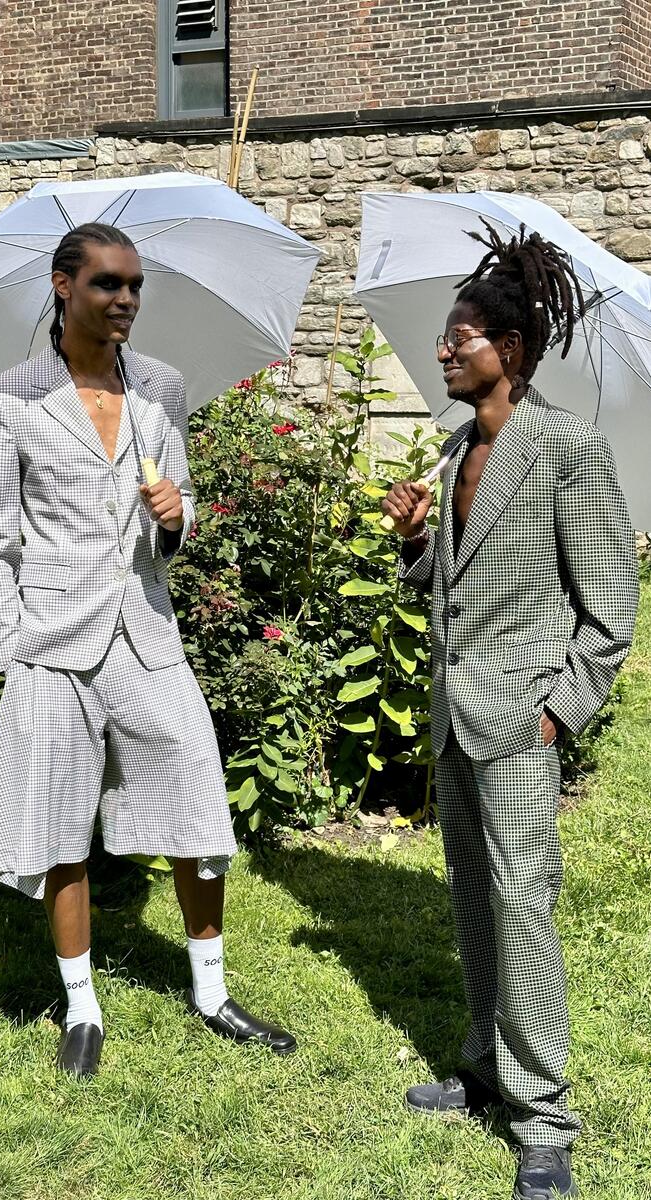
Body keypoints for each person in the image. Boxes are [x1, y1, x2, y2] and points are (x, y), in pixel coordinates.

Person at [0, 222, 295, 1076]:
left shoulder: (160, 388)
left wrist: (176, 518)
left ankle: (212, 993)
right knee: (59, 826)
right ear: (63, 287)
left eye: (135, 286)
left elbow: (173, 522)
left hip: (146, 635)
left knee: (196, 796)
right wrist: (13, 649)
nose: (126, 300)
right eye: (108, 284)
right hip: (52, 643)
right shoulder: (10, 400)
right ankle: (81, 1008)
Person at [382, 223, 638, 1200]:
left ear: (511, 350)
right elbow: (444, 586)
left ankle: (544, 1123)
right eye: (447, 339)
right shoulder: (457, 451)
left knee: (522, 905)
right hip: (457, 714)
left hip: (522, 719)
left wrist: (557, 714)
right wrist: (415, 541)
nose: (443, 351)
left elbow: (610, 607)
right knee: (471, 895)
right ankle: (486, 1065)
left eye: (459, 339)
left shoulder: (564, 450)